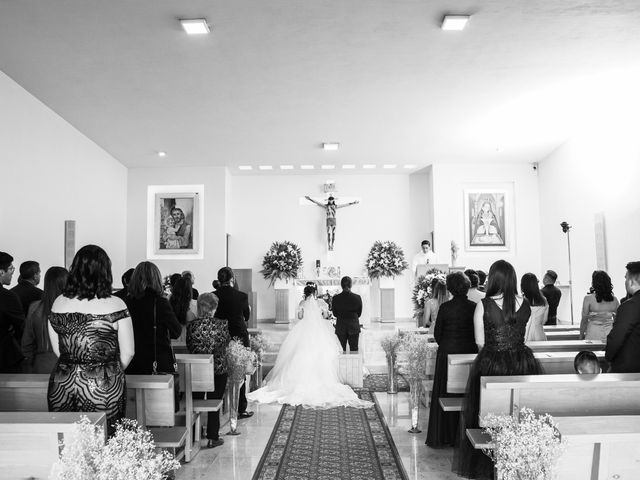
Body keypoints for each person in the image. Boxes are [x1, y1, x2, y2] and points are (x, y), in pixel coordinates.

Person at [456, 260, 541, 479]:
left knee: (488, 416)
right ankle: (515, 460)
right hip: (522, 363)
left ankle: (488, 464)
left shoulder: (484, 305)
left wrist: (498, 347)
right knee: (518, 413)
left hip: (492, 362)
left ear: (493, 278)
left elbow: (479, 341)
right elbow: (527, 336)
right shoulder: (526, 305)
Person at [47, 245, 134, 435]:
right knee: (105, 439)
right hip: (104, 383)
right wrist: (110, 370)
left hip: (63, 381)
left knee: (68, 443)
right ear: (105, 271)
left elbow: (57, 350)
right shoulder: (116, 304)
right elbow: (128, 351)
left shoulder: (58, 302)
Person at [247, 286, 372, 409]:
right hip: (319, 331)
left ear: (305, 293)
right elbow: (325, 315)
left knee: (299, 352)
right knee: (326, 352)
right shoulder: (321, 302)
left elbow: (300, 317)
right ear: (315, 292)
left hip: (304, 330)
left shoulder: (302, 302)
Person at [426, 272, 478, 448]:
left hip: (448, 353)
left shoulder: (446, 307)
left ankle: (444, 436)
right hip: (469, 354)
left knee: (445, 392)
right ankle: (464, 435)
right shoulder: (474, 307)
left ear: (450, 288)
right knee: (466, 393)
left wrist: (448, 344)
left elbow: (438, 334)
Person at [187, 293, 229, 448]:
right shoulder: (222, 324)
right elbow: (225, 344)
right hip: (217, 369)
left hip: (197, 369)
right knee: (215, 400)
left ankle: (193, 434)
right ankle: (213, 436)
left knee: (195, 401)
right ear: (214, 308)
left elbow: (190, 346)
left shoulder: (192, 326)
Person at [125, 262, 182, 377]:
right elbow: (176, 331)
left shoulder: (126, 302)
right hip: (157, 362)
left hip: (133, 363)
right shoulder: (160, 302)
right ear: (156, 278)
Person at [214, 267, 253, 418]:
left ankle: (220, 404)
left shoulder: (213, 296)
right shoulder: (241, 296)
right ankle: (240, 407)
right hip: (239, 335)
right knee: (240, 371)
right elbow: (247, 316)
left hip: (220, 336)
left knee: (221, 370)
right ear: (232, 279)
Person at [22, 266, 68, 373]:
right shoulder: (72, 308)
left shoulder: (35, 308)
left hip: (41, 365)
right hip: (67, 365)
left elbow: (27, 344)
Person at [605, 261, 640, 373]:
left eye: (626, 278)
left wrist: (608, 357)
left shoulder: (630, 305)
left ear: (631, 282)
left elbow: (616, 338)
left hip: (631, 368)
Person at [0, 252, 25, 373]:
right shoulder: (8, 297)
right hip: (5, 358)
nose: (12, 272)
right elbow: (21, 326)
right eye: (10, 268)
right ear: (1, 272)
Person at [580, 270, 619, 342]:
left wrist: (581, 335)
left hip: (593, 331)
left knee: (593, 352)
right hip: (609, 332)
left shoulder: (588, 298)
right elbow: (618, 320)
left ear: (594, 283)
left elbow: (584, 320)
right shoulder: (615, 300)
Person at [331, 276, 363, 352]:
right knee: (354, 349)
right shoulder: (357, 297)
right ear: (351, 285)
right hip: (354, 326)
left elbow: (335, 314)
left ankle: (342, 364)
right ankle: (354, 364)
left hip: (341, 327)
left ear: (341, 285)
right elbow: (359, 313)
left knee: (341, 350)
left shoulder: (335, 298)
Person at [521, 273, 548, 341]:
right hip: (539, 334)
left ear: (523, 285)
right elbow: (544, 320)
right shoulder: (544, 300)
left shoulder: (521, 301)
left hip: (525, 335)